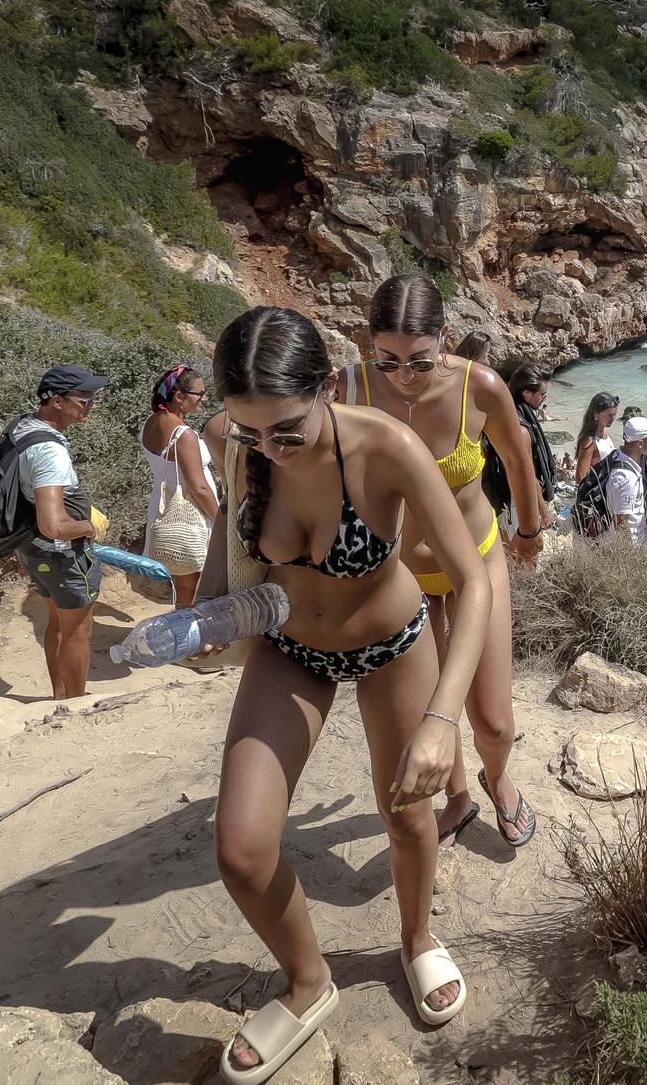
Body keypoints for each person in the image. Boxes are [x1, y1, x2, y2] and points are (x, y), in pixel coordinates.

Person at [198, 307, 489, 1081]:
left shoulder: (386, 447)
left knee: (407, 816)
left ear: (328, 386)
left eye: (286, 431)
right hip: (289, 648)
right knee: (241, 848)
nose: (269, 450)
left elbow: (472, 582)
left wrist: (442, 721)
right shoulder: (242, 450)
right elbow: (227, 548)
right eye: (249, 432)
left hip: (394, 646)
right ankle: (308, 980)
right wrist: (200, 621)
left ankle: (417, 936)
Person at [341, 277, 543, 852]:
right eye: (389, 360)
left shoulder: (479, 386)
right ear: (368, 345)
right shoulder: (350, 388)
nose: (404, 375)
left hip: (476, 561)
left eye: (420, 360)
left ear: (444, 338)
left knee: (493, 719)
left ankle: (498, 776)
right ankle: (458, 797)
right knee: (433, 707)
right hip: (398, 578)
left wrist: (527, 531)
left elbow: (517, 453)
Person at [12, 365, 110, 699]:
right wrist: (90, 526)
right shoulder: (50, 450)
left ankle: (60, 697)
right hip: (62, 553)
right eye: (84, 398)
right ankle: (76, 705)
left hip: (33, 549)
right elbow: (54, 525)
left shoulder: (24, 426)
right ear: (55, 401)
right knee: (79, 630)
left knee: (58, 621)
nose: (92, 404)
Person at [141, 365, 218, 607]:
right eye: (200, 394)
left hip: (164, 507)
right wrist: (221, 520)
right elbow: (199, 487)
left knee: (183, 583)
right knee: (195, 586)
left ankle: (183, 632)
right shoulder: (183, 434)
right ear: (179, 396)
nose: (204, 399)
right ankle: (191, 639)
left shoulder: (150, 423)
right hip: (191, 513)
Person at [483, 363, 555, 541]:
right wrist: (544, 513)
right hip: (519, 502)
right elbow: (527, 473)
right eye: (542, 395)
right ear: (526, 393)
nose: (544, 399)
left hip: (507, 497)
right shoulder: (521, 429)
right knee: (527, 557)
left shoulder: (506, 414)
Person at [603, 416, 647, 545]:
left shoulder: (617, 455)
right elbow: (621, 525)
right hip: (630, 548)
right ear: (640, 444)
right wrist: (631, 559)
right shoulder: (626, 479)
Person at [573, 393, 618, 482]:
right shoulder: (589, 440)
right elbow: (580, 477)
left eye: (614, 414)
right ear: (596, 414)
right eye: (609, 415)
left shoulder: (603, 432)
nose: (613, 419)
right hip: (598, 492)